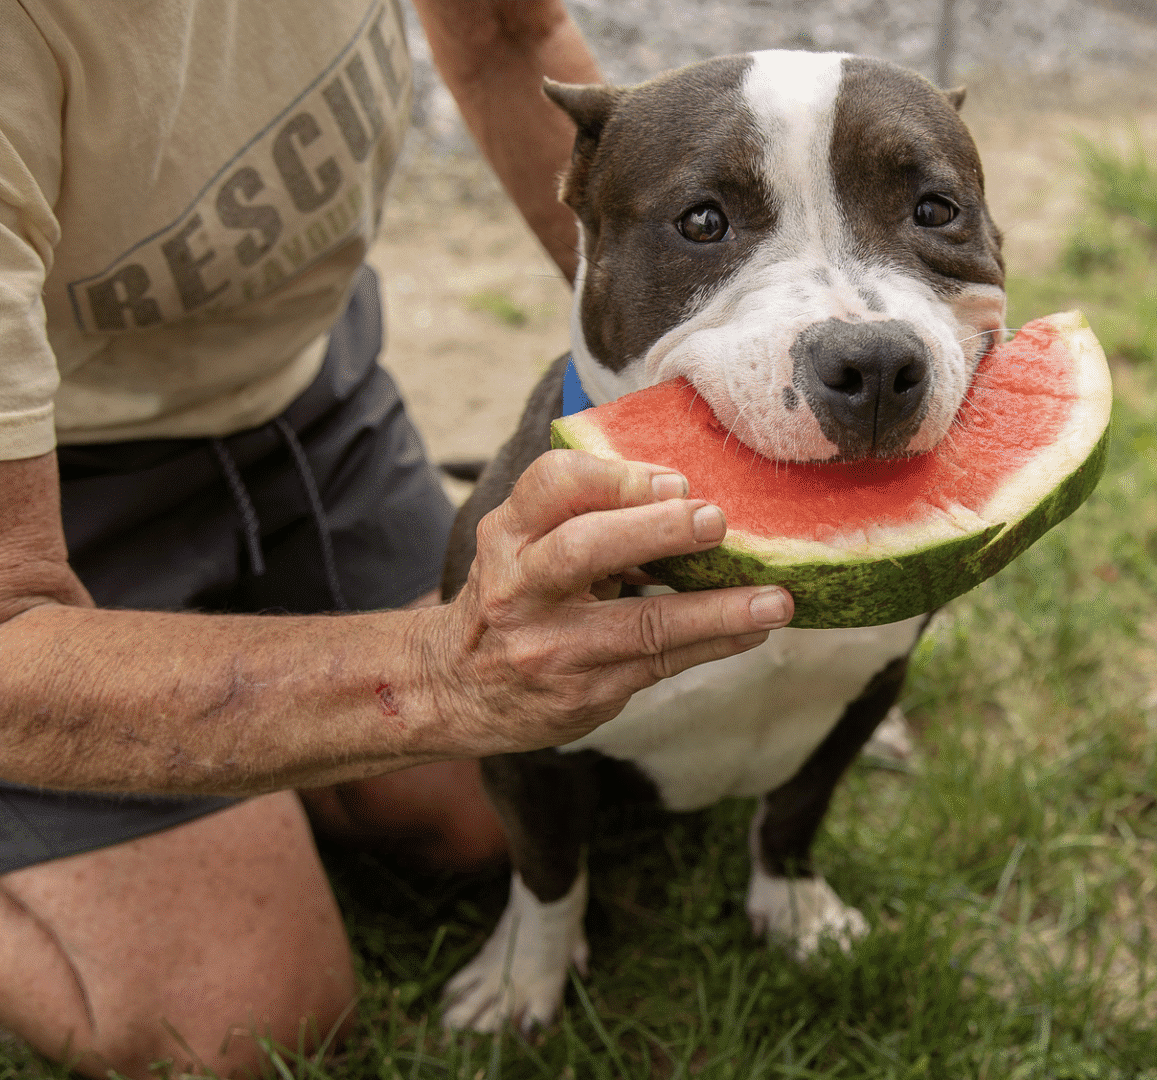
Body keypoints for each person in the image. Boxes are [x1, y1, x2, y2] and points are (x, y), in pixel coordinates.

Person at [0, 1, 795, 1076]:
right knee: (240, 1017)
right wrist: (439, 675)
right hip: (58, 484)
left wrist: (723, 352)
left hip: (302, 395)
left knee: (487, 810)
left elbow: (504, 37)